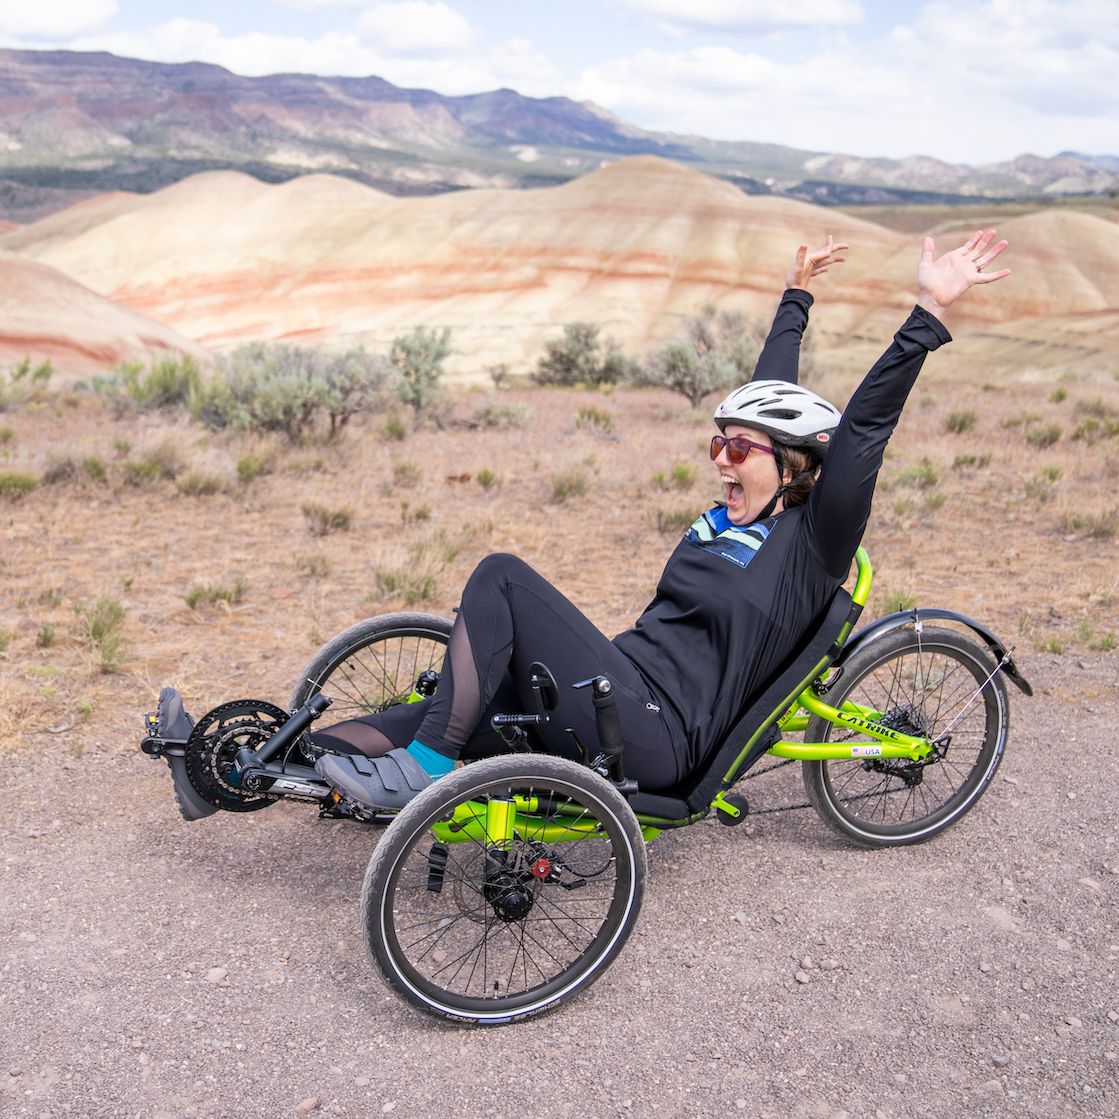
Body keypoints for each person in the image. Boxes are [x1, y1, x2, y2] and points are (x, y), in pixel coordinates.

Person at [312, 230, 1011, 810]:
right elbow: (769, 390)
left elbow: (864, 429)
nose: (720, 459)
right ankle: (254, 764)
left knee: (500, 577)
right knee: (393, 725)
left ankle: (427, 767)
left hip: (657, 736)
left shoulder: (812, 542)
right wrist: (796, 294)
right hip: (613, 690)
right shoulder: (730, 514)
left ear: (795, 465)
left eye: (738, 448)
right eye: (717, 442)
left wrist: (928, 310)